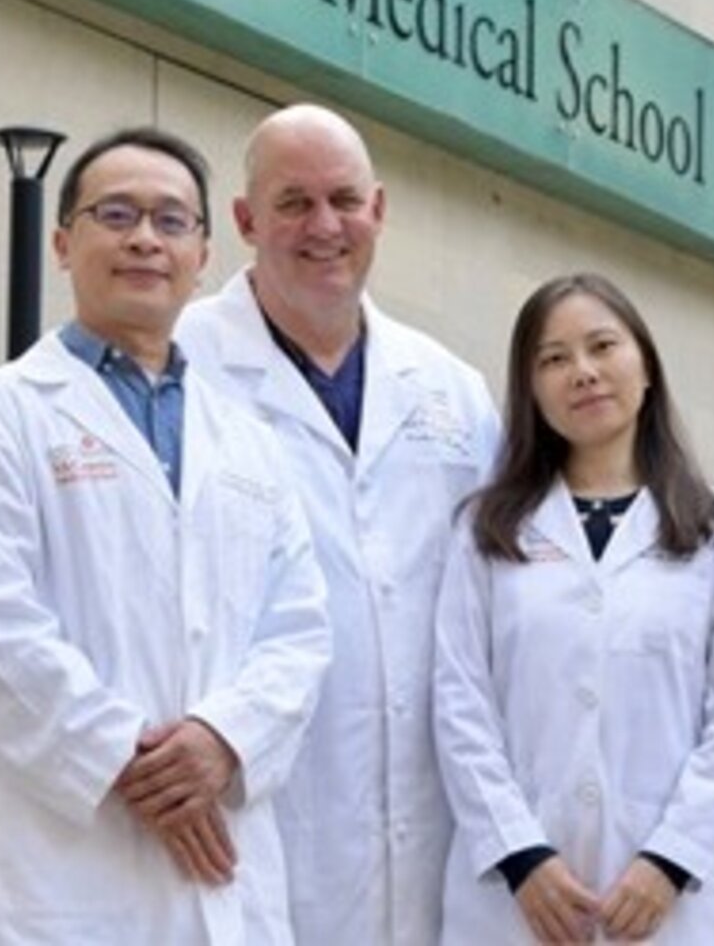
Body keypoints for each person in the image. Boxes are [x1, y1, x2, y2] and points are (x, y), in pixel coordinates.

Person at [0, 127, 332, 945]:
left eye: (172, 221)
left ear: (203, 253)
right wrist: (125, 762)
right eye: (116, 214)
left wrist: (223, 740)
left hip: (223, 871)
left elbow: (301, 632)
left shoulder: (248, 441)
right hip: (57, 871)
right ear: (64, 243)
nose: (145, 237)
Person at [175, 104, 500, 944]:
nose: (325, 226)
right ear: (246, 221)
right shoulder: (181, 366)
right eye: (293, 203)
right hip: (251, 814)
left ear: (379, 211)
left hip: (428, 829)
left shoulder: (451, 392)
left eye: (344, 200)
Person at [434, 272, 714, 944]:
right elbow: (459, 705)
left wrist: (670, 860)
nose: (584, 373)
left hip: (669, 902)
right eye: (554, 359)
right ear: (530, 389)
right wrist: (522, 856)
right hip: (516, 903)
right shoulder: (486, 530)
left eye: (602, 347)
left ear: (645, 365)